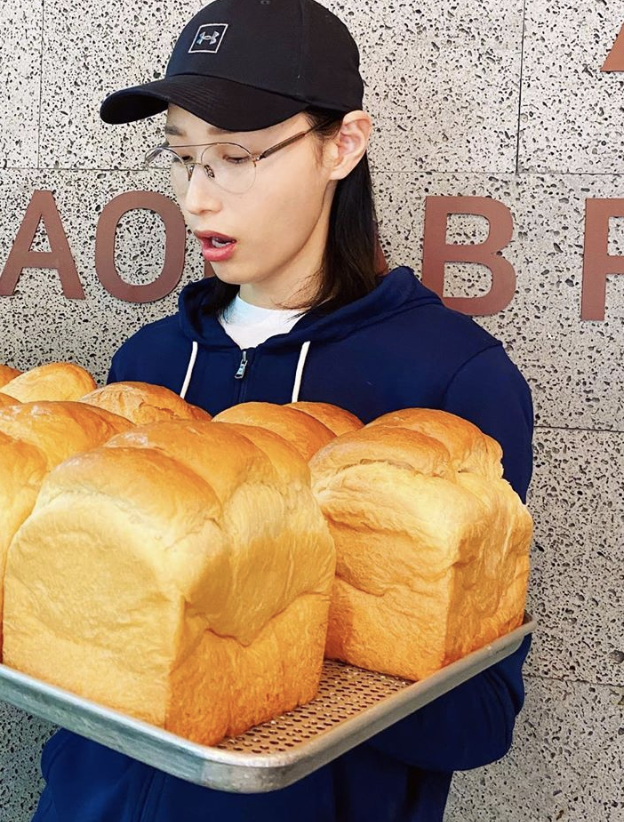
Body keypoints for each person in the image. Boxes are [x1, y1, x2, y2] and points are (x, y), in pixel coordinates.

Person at [31, 0, 534, 819]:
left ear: (344, 144)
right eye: (184, 158)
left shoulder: (454, 382)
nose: (197, 199)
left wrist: (282, 628)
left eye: (235, 156)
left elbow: (481, 719)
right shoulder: (149, 363)